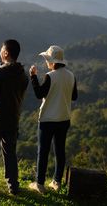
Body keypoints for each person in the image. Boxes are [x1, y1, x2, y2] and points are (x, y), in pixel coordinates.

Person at [0, 39, 29, 195]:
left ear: (6, 53)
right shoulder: (22, 74)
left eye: (1, 49)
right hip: (12, 118)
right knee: (10, 152)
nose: (0, 52)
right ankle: (13, 186)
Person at [28, 45, 77, 194]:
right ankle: (57, 181)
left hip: (48, 119)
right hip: (64, 118)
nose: (46, 62)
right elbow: (74, 97)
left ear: (52, 61)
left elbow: (39, 94)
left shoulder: (50, 76)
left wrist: (33, 77)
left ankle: (40, 184)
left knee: (43, 151)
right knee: (60, 150)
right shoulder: (71, 76)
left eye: (47, 60)